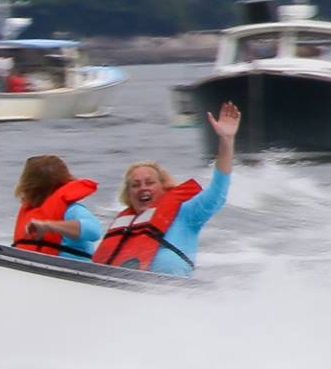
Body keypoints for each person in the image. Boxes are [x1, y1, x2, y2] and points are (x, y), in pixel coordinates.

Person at [93, 101, 240, 276]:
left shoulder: (186, 213)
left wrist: (226, 140)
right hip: (123, 293)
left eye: (149, 182)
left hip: (174, 295)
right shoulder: (124, 225)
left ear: (163, 187)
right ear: (128, 193)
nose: (142, 188)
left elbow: (218, 192)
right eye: (135, 185)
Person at [12, 154, 102, 261]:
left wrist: (48, 226)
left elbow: (94, 231)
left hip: (71, 273)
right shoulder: (30, 212)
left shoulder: (72, 210)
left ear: (27, 185)